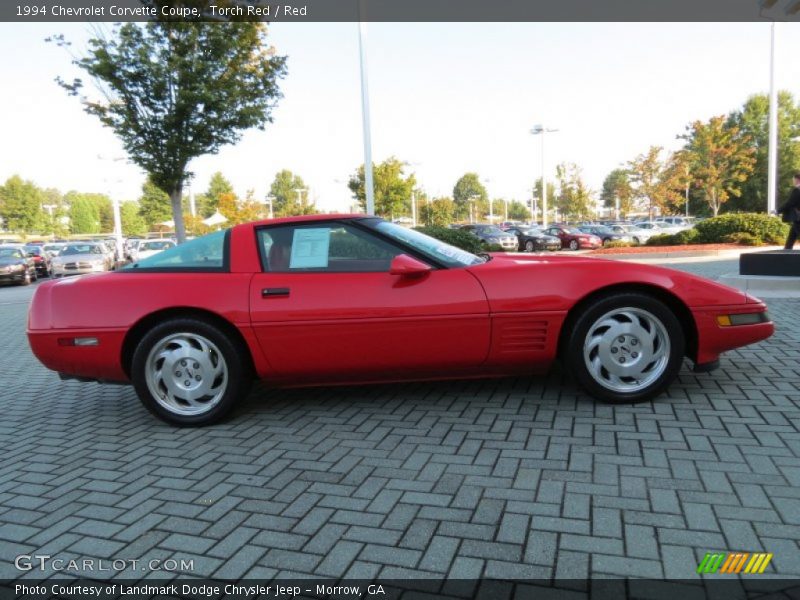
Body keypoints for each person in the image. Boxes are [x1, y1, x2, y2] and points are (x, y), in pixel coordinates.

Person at [778, 172, 800, 249]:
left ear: (797, 180)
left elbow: (789, 203)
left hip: (798, 217)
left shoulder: (797, 190)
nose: (793, 181)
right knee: (792, 235)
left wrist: (778, 211)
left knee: (795, 232)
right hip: (797, 218)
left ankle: (787, 250)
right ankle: (787, 250)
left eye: (793, 180)